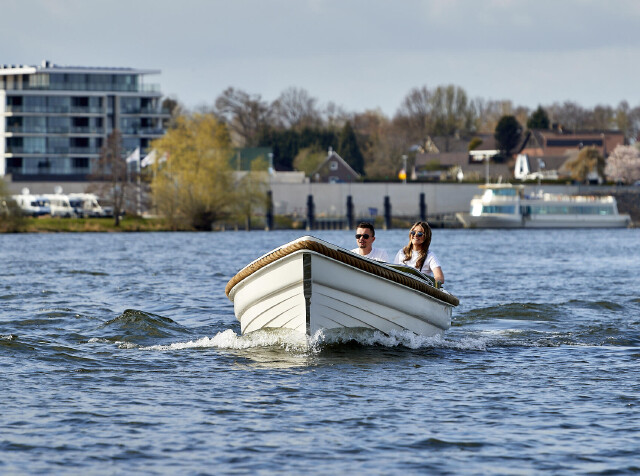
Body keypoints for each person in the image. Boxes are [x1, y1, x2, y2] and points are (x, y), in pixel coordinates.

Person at [393, 221, 445, 286]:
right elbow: (393, 273)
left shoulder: (430, 256)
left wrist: (436, 283)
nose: (415, 235)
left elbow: (440, 278)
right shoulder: (401, 252)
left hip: (420, 288)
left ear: (426, 237)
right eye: (413, 232)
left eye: (420, 233)